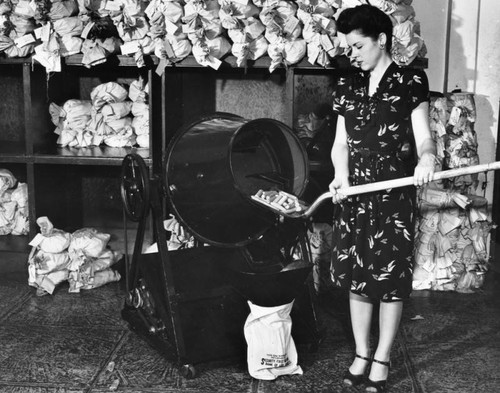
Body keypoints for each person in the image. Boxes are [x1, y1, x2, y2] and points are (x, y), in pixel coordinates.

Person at [328, 5, 436, 393]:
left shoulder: (410, 81)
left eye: (357, 45)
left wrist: (427, 157)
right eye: (346, 47)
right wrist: (340, 175)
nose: (350, 53)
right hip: (355, 195)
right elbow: (340, 145)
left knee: (389, 281)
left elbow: (423, 135)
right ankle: (361, 352)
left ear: (382, 41)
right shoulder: (346, 85)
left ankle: (383, 356)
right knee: (358, 278)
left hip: (393, 195)